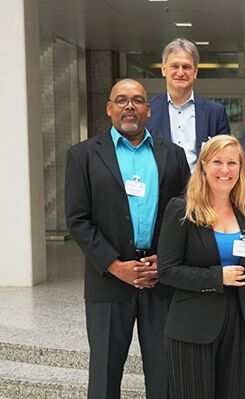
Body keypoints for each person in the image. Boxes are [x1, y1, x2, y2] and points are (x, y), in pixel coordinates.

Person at [65, 78, 190, 399]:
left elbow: (186, 215)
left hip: (160, 280)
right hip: (108, 283)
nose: (129, 106)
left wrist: (167, 259)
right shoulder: (83, 156)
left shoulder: (173, 155)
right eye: (121, 100)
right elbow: (78, 220)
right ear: (109, 109)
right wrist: (114, 265)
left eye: (137, 100)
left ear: (149, 110)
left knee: (165, 373)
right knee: (105, 373)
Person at [156, 135, 245, 398]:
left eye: (232, 163)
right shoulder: (182, 210)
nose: (225, 170)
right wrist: (216, 277)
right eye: (217, 162)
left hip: (238, 324)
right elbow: (167, 270)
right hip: (193, 326)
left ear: (241, 168)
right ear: (204, 165)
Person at [147, 38, 231, 171]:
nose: (180, 72)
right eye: (174, 66)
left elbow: (225, 157)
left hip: (202, 189)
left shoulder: (215, 113)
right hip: (160, 189)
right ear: (163, 70)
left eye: (186, 67)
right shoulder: (147, 111)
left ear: (195, 72)